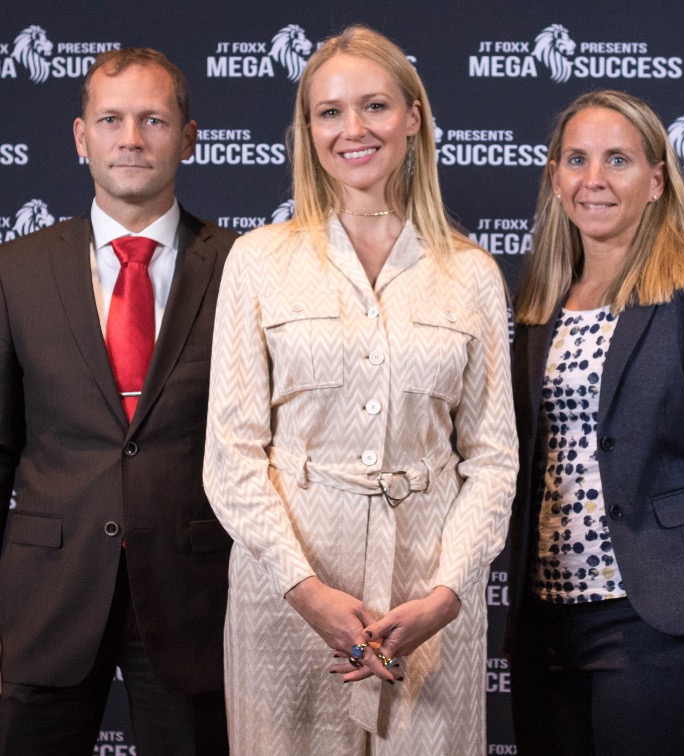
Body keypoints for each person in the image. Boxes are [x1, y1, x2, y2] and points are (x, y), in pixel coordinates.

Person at [203, 24, 517, 756]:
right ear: (308, 130)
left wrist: (446, 596)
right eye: (330, 112)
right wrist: (305, 590)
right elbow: (232, 453)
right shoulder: (258, 260)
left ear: (413, 118)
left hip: (426, 605)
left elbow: (492, 458)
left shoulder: (472, 273)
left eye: (374, 106)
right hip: (287, 599)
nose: (353, 129)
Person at [505, 89, 684, 755]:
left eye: (617, 159)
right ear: (554, 177)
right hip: (546, 623)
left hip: (655, 625)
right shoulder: (539, 307)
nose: (594, 179)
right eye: (577, 159)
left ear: (657, 180)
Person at [0, 48, 236, 755]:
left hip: (195, 596)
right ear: (81, 137)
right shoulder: (16, 270)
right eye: (111, 120)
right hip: (47, 594)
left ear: (188, 138)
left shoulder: (243, 267)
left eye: (152, 120)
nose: (130, 138)